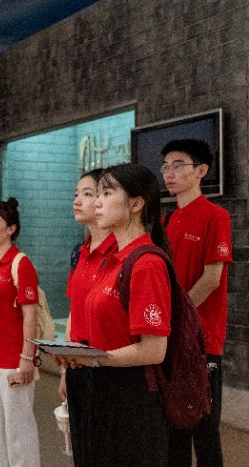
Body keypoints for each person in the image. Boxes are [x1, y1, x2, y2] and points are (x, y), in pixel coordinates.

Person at [57, 163, 172, 466]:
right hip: (100, 386)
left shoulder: (146, 263)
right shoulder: (112, 260)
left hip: (130, 394)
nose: (97, 202)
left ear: (135, 204)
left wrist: (93, 358)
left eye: (106, 194)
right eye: (96, 194)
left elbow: (154, 350)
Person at [161, 139, 233, 467]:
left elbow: (211, 278)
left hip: (203, 340)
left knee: (204, 428)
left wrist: (178, 316)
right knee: (173, 427)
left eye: (178, 165)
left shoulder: (216, 217)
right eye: (165, 167)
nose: (169, 173)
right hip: (167, 339)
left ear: (201, 170)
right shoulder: (165, 222)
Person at [58, 169, 116, 467]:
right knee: (82, 450)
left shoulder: (123, 252)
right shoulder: (77, 253)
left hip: (110, 366)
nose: (77, 201)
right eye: (76, 194)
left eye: (88, 194)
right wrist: (66, 367)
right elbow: (75, 310)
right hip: (78, 365)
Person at [0, 197, 41, 467]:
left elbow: (31, 314)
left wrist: (26, 359)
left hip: (14, 363)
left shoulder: (20, 263)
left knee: (19, 431)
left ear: (11, 229)